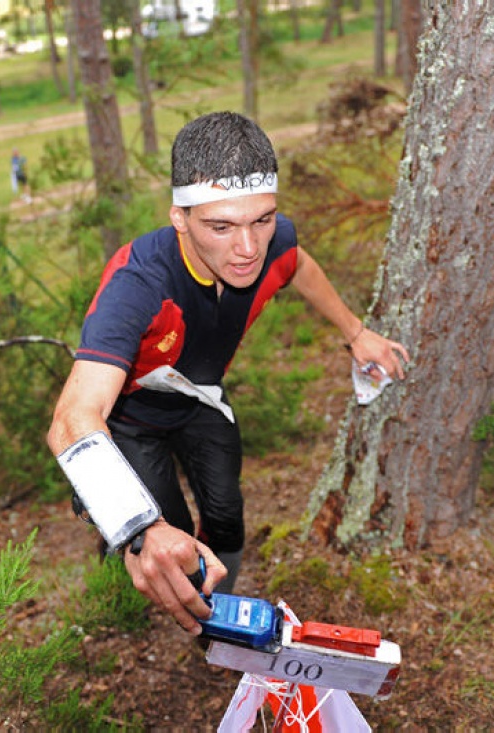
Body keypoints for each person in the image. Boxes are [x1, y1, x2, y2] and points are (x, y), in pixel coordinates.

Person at [45, 111, 411, 636]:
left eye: (261, 220)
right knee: (166, 533)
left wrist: (356, 333)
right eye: (220, 226)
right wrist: (140, 527)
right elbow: (72, 419)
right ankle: (167, 604)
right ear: (180, 218)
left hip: (201, 402)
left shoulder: (272, 242)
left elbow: (299, 265)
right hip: (128, 423)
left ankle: (220, 617)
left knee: (226, 515)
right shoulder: (139, 283)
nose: (248, 248)